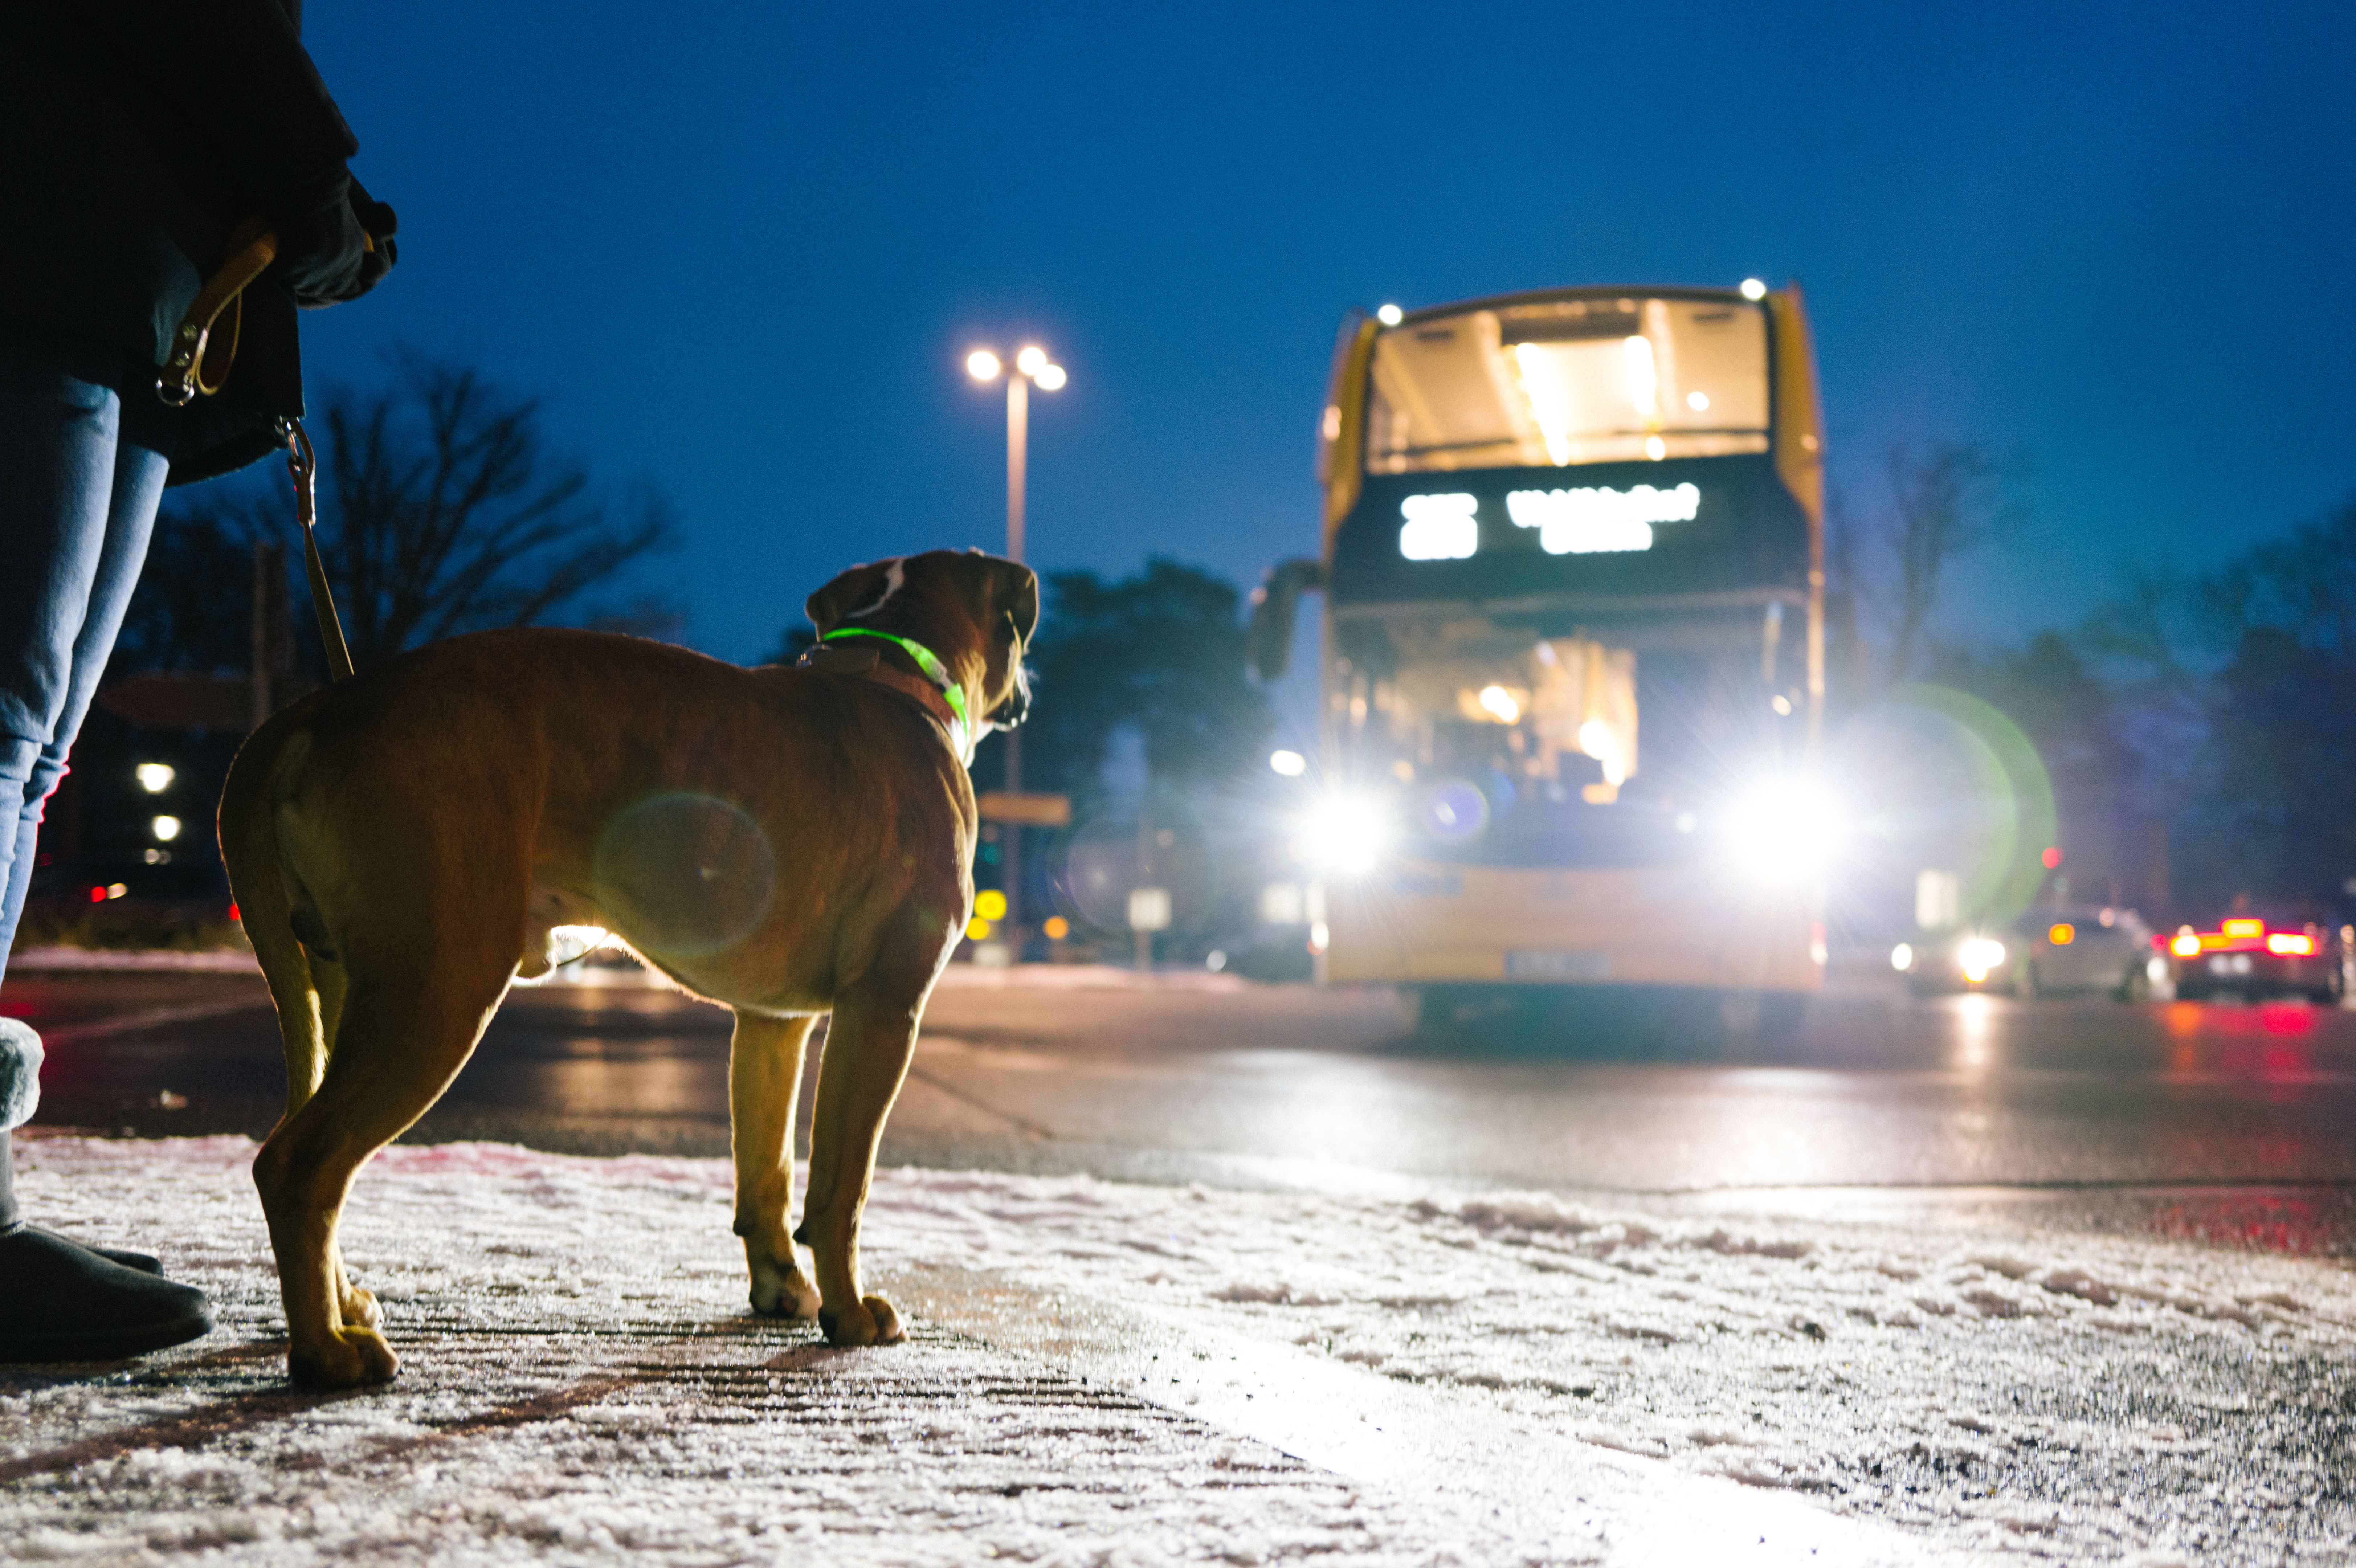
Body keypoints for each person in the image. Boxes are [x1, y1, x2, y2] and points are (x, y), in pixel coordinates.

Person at [0, 0, 396, 1361]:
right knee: (3, 728)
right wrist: (311, 183)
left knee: (33, 747)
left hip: (134, 294)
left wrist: (311, 204)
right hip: (44, 239)